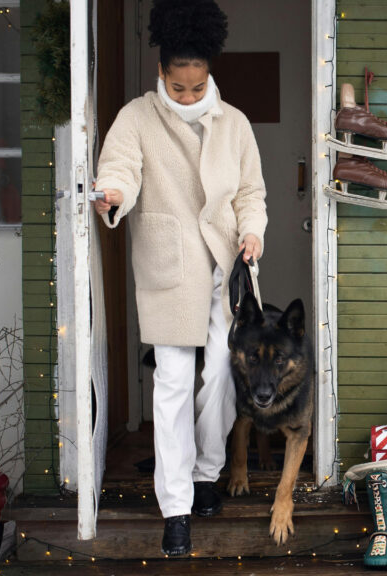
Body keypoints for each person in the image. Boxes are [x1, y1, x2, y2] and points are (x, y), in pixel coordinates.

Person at [92, 0, 267, 558]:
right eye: (178, 86)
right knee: (170, 385)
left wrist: (254, 233)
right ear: (161, 74)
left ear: (208, 73)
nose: (189, 96)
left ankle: (207, 471)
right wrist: (115, 194)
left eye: (197, 86)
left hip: (225, 268)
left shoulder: (234, 123)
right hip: (170, 266)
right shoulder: (137, 118)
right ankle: (176, 507)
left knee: (219, 372)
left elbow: (251, 195)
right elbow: (120, 167)